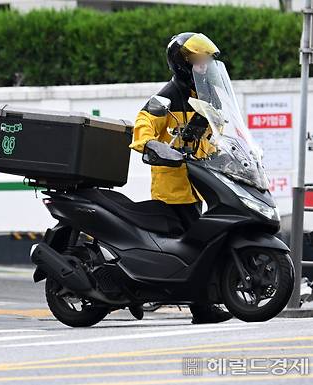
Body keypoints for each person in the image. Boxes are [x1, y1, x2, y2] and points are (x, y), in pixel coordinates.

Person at [130, 32, 233, 324]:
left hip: (197, 187)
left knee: (199, 246)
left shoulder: (204, 97)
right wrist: (149, 143)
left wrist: (225, 153)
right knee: (190, 251)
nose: (203, 67)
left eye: (206, 61)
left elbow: (216, 134)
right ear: (182, 63)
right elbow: (144, 122)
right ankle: (200, 308)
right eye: (197, 61)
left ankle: (202, 303)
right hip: (172, 190)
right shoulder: (167, 96)